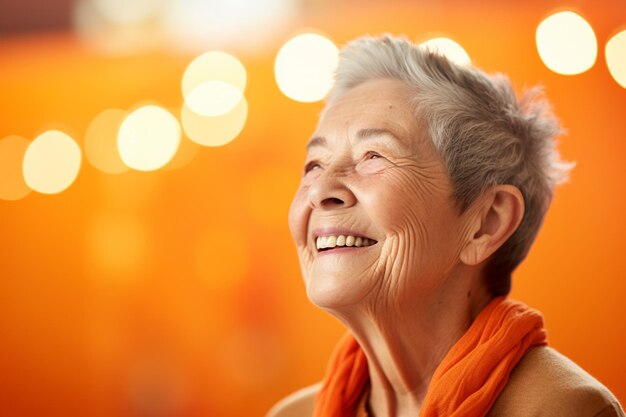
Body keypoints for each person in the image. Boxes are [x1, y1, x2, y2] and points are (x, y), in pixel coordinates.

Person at [268, 35, 625, 417]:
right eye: (314, 165)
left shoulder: (566, 410)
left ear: (486, 222)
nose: (321, 190)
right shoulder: (292, 413)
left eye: (374, 156)